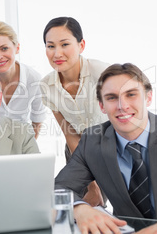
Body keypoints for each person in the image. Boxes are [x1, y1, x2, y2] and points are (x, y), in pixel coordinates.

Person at [54, 63, 157, 234]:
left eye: (131, 94)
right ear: (102, 106)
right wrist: (80, 209)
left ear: (148, 97)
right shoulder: (92, 141)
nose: (122, 105)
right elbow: (60, 187)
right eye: (111, 97)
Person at [40, 16, 109, 206]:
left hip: (111, 147)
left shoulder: (101, 73)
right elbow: (69, 134)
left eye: (64, 44)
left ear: (81, 45)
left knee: (117, 206)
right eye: (50, 46)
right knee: (70, 203)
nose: (57, 53)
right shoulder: (47, 86)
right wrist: (91, 185)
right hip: (77, 150)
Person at [0, 21, 47, 139]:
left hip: (21, 143)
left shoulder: (34, 79)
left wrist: (27, 149)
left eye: (4, 48)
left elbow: (37, 121)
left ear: (17, 48)